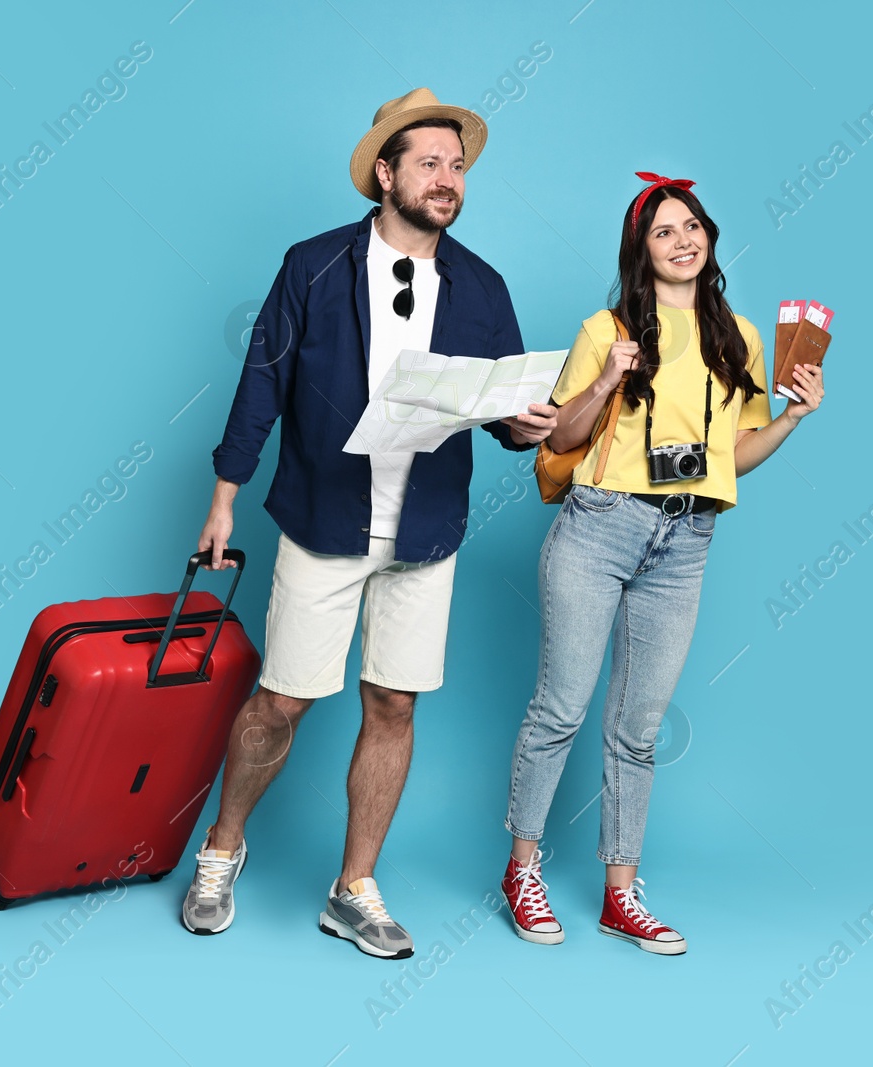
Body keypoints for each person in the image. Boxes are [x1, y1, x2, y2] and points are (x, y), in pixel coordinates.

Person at [182, 88, 557, 960]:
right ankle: (221, 849)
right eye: (429, 162)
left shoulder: (483, 285)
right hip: (323, 518)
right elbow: (260, 381)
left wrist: (523, 423)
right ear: (384, 174)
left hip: (425, 530)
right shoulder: (312, 266)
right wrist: (225, 495)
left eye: (457, 165)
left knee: (393, 702)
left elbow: (500, 405)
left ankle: (353, 888)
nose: (447, 179)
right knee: (282, 700)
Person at [499, 172, 826, 954]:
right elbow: (558, 439)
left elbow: (731, 458)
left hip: (687, 540)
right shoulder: (604, 327)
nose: (683, 240)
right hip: (602, 525)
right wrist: (610, 373)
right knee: (562, 708)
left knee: (638, 729)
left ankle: (621, 894)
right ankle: (522, 869)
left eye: (693, 227)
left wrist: (793, 419)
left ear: (709, 239)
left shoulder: (740, 337)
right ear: (640, 251)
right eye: (664, 231)